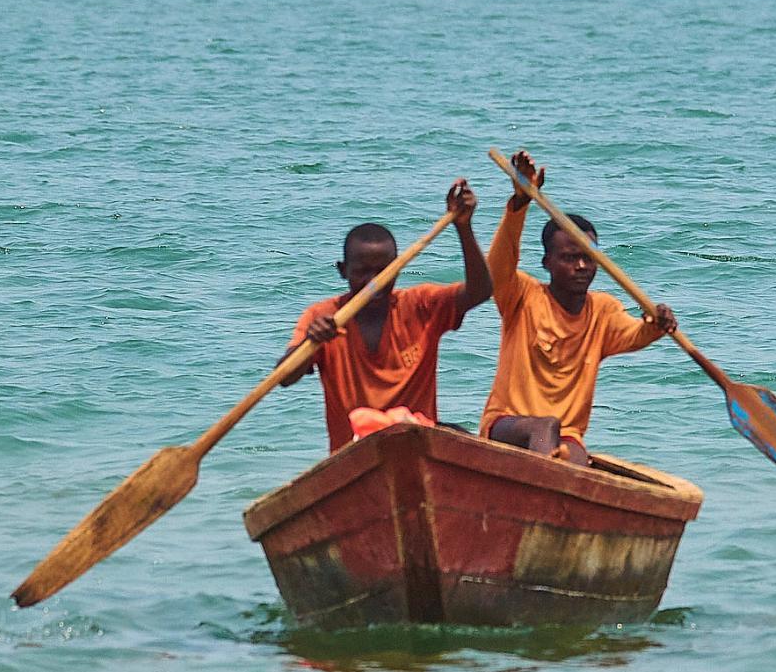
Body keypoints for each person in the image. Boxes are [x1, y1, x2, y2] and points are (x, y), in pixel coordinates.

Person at [480, 151, 677, 468]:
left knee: (578, 461)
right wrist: (520, 203)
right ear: (547, 263)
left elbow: (633, 333)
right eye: (570, 258)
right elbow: (498, 266)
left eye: (588, 256)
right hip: (507, 425)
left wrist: (657, 324)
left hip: (566, 436)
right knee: (544, 426)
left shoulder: (602, 311)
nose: (582, 266)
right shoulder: (522, 296)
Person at [279, 178, 492, 451]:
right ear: (343, 270)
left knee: (463, 441)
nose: (373, 282)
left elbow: (480, 291)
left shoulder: (420, 305)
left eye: (383, 271)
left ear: (398, 268)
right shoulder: (323, 316)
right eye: (362, 272)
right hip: (354, 454)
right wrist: (310, 344)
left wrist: (463, 228)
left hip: (417, 443)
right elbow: (285, 377)